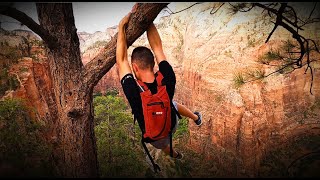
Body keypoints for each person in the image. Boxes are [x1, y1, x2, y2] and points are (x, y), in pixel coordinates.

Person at [116, 12, 202, 160]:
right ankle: (196, 118)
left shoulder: (132, 90)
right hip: (171, 126)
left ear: (135, 68)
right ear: (154, 63)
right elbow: (157, 48)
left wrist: (121, 27)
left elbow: (122, 60)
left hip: (155, 138)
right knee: (172, 103)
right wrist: (147, 17)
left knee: (163, 146)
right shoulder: (168, 78)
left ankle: (176, 155)